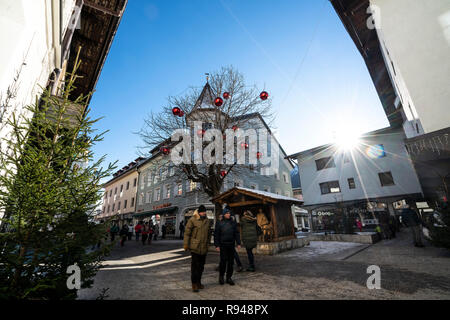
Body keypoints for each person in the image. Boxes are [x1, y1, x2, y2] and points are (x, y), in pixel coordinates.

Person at [183, 205, 212, 292]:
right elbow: (187, 233)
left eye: (205, 211)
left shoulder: (207, 221)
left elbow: (209, 234)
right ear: (199, 212)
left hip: (204, 248)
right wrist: (186, 244)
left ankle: (199, 282)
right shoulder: (192, 220)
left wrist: (208, 244)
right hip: (195, 247)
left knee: (201, 267)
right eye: (202, 212)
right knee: (195, 267)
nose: (204, 213)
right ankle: (194, 284)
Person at [214, 206, 241, 286]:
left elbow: (236, 233)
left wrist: (238, 243)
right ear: (223, 214)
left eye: (229, 213)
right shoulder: (219, 223)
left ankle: (229, 277)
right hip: (223, 246)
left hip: (231, 245)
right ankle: (221, 277)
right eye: (227, 213)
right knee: (223, 262)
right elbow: (216, 235)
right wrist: (217, 245)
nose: (228, 214)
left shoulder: (233, 222)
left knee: (230, 263)